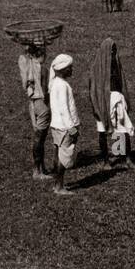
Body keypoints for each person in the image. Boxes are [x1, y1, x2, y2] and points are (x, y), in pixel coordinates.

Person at [87, 38, 135, 168]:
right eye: (111, 50)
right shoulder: (97, 67)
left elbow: (121, 83)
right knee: (102, 131)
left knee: (121, 128)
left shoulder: (116, 64)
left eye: (115, 50)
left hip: (117, 99)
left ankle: (123, 157)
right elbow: (94, 88)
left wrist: (122, 97)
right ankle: (106, 161)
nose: (113, 53)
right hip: (102, 102)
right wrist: (97, 105)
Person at [48, 54, 80, 196]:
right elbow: (64, 109)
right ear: (62, 69)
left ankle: (57, 184)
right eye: (69, 68)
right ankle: (59, 187)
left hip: (56, 125)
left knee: (58, 154)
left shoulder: (55, 83)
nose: (72, 70)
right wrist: (71, 127)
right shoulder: (62, 85)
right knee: (64, 157)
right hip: (64, 127)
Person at [20, 43, 51, 180]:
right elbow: (45, 90)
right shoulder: (43, 69)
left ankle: (40, 168)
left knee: (38, 136)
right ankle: (37, 171)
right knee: (40, 138)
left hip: (32, 104)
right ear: (42, 54)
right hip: (42, 104)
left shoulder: (29, 67)